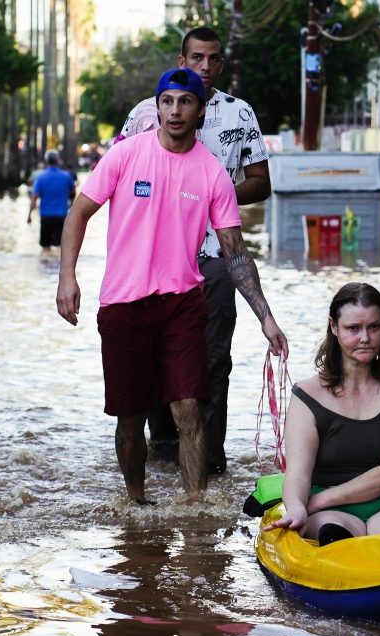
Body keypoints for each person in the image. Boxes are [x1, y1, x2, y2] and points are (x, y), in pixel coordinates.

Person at [57, 67, 287, 503]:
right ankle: (136, 503)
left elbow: (235, 253)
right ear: (157, 106)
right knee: (130, 417)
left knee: (188, 410)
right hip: (124, 305)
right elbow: (79, 213)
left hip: (182, 304)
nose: (175, 110)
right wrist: (68, 278)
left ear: (201, 110)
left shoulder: (212, 173)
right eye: (167, 101)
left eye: (185, 102)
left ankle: (195, 509)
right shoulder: (126, 156)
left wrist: (266, 318)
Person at [117, 26, 271, 475]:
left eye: (214, 59)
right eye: (197, 58)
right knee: (152, 360)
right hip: (151, 263)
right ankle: (164, 444)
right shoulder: (146, 114)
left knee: (212, 358)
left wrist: (213, 194)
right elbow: (116, 177)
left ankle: (209, 461)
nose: (205, 67)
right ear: (181, 62)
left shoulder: (239, 114)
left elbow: (261, 181)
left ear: (221, 65)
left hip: (215, 256)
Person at [265, 283, 380, 544]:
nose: (365, 338)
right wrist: (298, 508)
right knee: (330, 531)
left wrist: (316, 502)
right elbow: (298, 475)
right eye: (353, 328)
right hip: (330, 515)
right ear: (334, 327)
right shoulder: (307, 394)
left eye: (374, 327)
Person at [27, 150, 77, 254]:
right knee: (60, 248)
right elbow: (73, 194)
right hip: (62, 216)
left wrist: (29, 215)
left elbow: (34, 198)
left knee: (45, 248)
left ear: (46, 161)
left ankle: (46, 269)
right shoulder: (66, 176)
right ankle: (56, 268)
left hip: (46, 216)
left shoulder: (40, 178)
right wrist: (71, 208)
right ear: (58, 161)